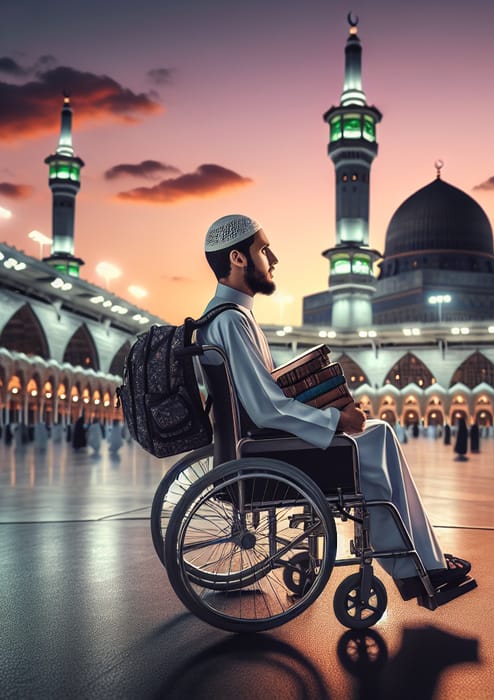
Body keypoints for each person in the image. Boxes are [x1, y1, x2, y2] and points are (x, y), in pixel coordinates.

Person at [197, 214, 472, 601]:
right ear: (238, 259)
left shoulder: (227, 316)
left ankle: (425, 560)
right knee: (374, 440)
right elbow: (264, 409)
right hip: (269, 448)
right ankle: (416, 567)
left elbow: (262, 397)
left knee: (376, 434)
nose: (272, 259)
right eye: (263, 249)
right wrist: (336, 418)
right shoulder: (232, 321)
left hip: (260, 444)